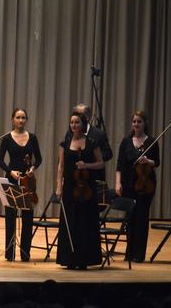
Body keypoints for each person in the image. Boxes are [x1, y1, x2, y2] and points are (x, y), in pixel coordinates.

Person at [55, 111, 104, 269]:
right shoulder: (64, 143)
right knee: (70, 222)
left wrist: (86, 165)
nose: (74, 125)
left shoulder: (92, 142)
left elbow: (100, 163)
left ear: (83, 124)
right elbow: (61, 166)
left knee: (85, 223)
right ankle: (69, 259)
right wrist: (59, 186)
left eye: (77, 122)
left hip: (87, 188)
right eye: (72, 122)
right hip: (70, 187)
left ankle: (84, 260)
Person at [0, 108, 42, 261]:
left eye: (23, 117)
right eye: (18, 117)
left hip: (28, 180)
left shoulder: (32, 137)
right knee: (10, 216)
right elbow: (0, 160)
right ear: (12, 119)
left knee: (28, 217)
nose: (21, 120)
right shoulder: (7, 138)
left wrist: (32, 168)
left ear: (26, 119)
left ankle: (25, 253)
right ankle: (10, 253)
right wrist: (10, 172)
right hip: (12, 178)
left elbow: (39, 159)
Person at [115, 110, 160, 262]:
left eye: (139, 121)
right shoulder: (126, 142)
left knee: (142, 218)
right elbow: (119, 164)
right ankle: (129, 253)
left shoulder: (152, 141)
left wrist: (148, 161)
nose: (136, 124)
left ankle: (139, 255)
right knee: (130, 218)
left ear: (145, 123)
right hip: (128, 184)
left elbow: (157, 162)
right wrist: (118, 182)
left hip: (146, 185)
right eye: (134, 121)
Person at [65, 103, 113, 182]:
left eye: (79, 115)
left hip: (93, 177)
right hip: (73, 177)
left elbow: (108, 154)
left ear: (87, 117)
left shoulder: (99, 134)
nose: (76, 117)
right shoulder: (70, 133)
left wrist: (90, 157)